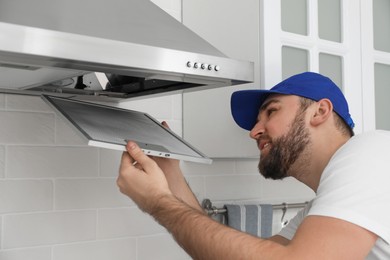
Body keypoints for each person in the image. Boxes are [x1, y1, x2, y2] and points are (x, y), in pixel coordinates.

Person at [117, 72, 390, 259]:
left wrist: (157, 202)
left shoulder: (370, 150)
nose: (254, 131)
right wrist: (170, 174)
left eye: (271, 111)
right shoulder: (321, 211)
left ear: (320, 112)